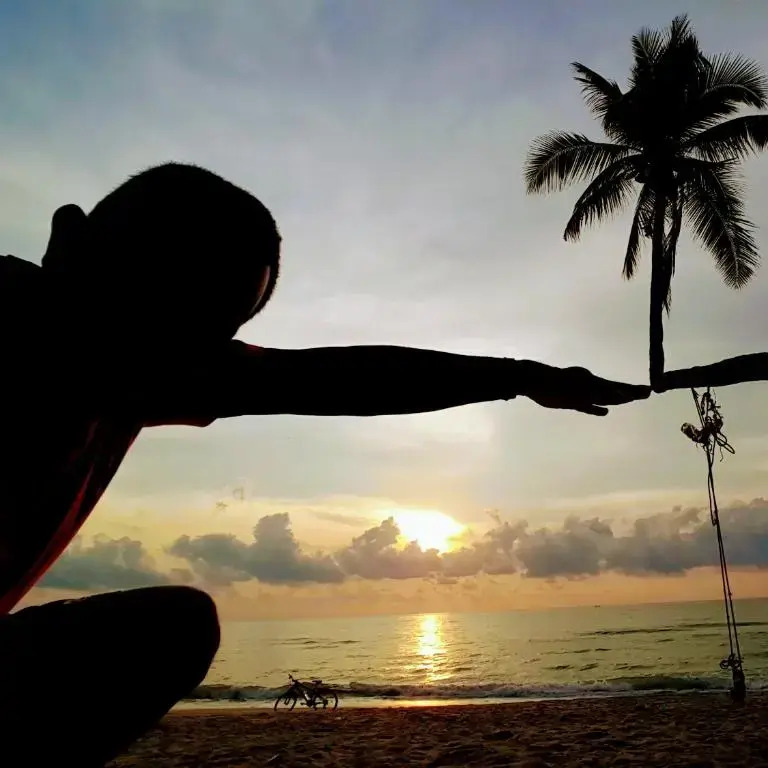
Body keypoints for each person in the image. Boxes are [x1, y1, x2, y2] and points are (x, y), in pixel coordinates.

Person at [0, 163, 649, 765]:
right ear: (68, 240)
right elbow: (337, 379)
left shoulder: (156, 370)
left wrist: (524, 377)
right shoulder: (29, 320)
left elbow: (346, 378)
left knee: (172, 627)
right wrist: (523, 378)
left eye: (201, 333)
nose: (157, 344)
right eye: (146, 286)